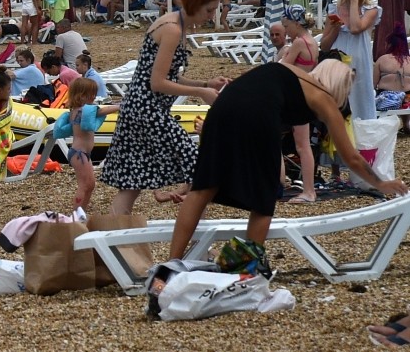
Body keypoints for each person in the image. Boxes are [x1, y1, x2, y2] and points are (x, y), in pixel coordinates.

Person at [168, 60, 408, 273]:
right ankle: (245, 269)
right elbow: (351, 157)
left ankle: (172, 264)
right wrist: (381, 183)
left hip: (224, 105)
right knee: (265, 197)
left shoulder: (295, 72)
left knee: (204, 186)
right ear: (340, 87)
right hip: (258, 116)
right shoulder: (324, 98)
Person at [100, 0, 228, 215]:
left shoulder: (174, 25)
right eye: (209, 10)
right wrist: (201, 92)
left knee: (131, 184)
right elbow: (158, 83)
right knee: (199, 165)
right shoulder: (172, 29)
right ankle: (193, 240)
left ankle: (109, 244)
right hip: (146, 110)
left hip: (137, 108)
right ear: (194, 5)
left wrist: (206, 82)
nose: (211, 15)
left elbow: (168, 76)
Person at [318, 0, 380, 120]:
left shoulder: (371, 10)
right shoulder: (334, 9)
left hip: (359, 63)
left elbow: (355, 28)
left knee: (359, 99)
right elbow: (324, 45)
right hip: (337, 60)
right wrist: (335, 29)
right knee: (339, 100)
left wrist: (354, 2)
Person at [52, 77, 117, 217]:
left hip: (80, 153)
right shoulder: (83, 111)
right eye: (91, 94)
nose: (94, 97)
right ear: (81, 95)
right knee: (85, 185)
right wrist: (121, 106)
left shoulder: (75, 111)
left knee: (90, 184)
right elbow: (104, 111)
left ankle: (81, 212)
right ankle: (76, 214)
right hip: (79, 153)